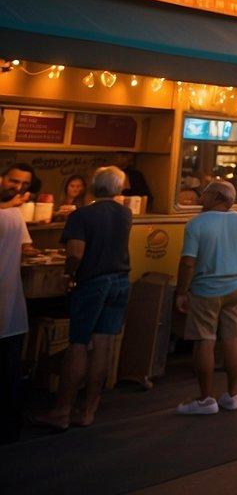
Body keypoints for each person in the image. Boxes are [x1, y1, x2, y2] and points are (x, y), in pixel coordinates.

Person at [35, 166, 131, 431]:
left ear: (92, 186)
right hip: (121, 281)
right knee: (103, 344)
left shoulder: (81, 215)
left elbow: (76, 253)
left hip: (93, 282)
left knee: (78, 344)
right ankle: (88, 410)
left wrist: (69, 275)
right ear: (118, 189)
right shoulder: (125, 213)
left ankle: (62, 411)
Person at [174, 180, 237, 415]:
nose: (201, 197)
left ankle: (206, 399)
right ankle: (232, 395)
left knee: (205, 340)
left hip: (206, 289)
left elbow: (188, 262)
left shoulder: (196, 224)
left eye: (205, 193)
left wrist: (182, 291)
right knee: (232, 340)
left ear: (216, 197)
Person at [0, 187, 33, 443]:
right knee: (10, 368)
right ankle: (10, 426)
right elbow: (27, 248)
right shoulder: (15, 217)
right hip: (11, 304)